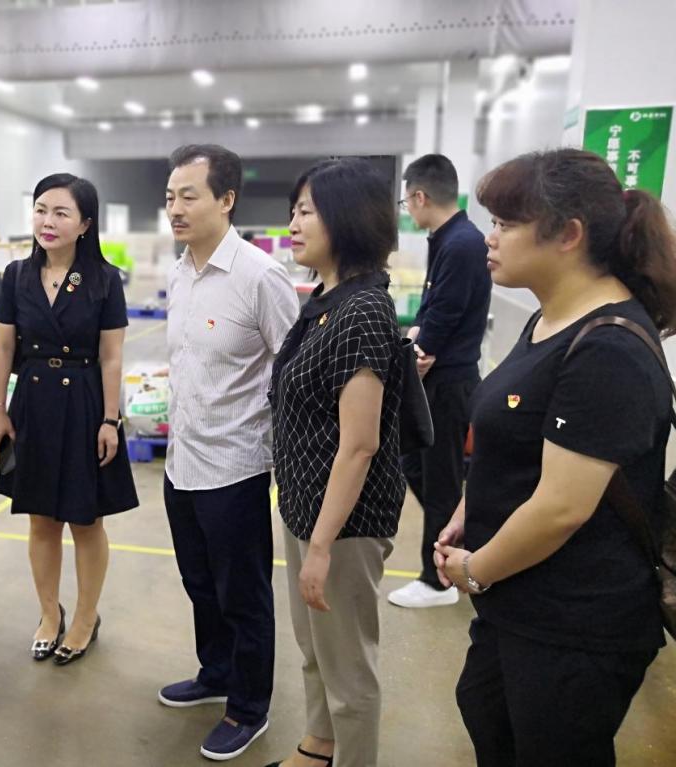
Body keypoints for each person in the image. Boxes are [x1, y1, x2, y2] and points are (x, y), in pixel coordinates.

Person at [434, 148, 676, 766]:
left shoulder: (607, 350)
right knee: (487, 714)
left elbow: (562, 507)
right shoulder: (550, 318)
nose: (490, 238)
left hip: (573, 623)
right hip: (520, 601)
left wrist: (475, 570)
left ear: (568, 234)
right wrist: (468, 509)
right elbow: (515, 440)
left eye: (506, 223)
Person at [157, 144, 298, 761]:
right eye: (170, 196)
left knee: (243, 594)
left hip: (236, 467)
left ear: (227, 200)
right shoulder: (179, 271)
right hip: (181, 460)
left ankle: (248, 706)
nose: (175, 208)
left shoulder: (259, 276)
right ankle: (215, 674)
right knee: (199, 583)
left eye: (189, 196)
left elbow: (293, 371)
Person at [268, 158, 406, 767]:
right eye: (294, 210)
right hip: (307, 506)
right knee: (315, 647)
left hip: (343, 523)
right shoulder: (326, 299)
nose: (293, 224)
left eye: (307, 211)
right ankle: (318, 746)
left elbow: (359, 445)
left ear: (346, 218)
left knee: (348, 669)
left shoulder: (362, 311)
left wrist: (322, 545)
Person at [0, 173, 138, 666]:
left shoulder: (104, 279)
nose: (47, 221)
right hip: (33, 403)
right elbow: (3, 347)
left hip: (85, 405)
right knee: (41, 521)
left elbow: (111, 357)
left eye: (60, 213)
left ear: (85, 224)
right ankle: (49, 614)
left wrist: (110, 420)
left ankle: (85, 619)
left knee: (85, 521)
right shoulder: (17, 275)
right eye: (40, 210)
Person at [388, 154, 491, 609]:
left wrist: (419, 353)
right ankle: (454, 549)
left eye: (407, 202)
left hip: (449, 383)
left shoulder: (463, 243)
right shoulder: (448, 239)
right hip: (436, 381)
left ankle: (438, 580)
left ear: (420, 196)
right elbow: (431, 310)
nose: (408, 209)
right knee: (414, 465)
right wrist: (414, 338)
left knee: (442, 480)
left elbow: (444, 316)